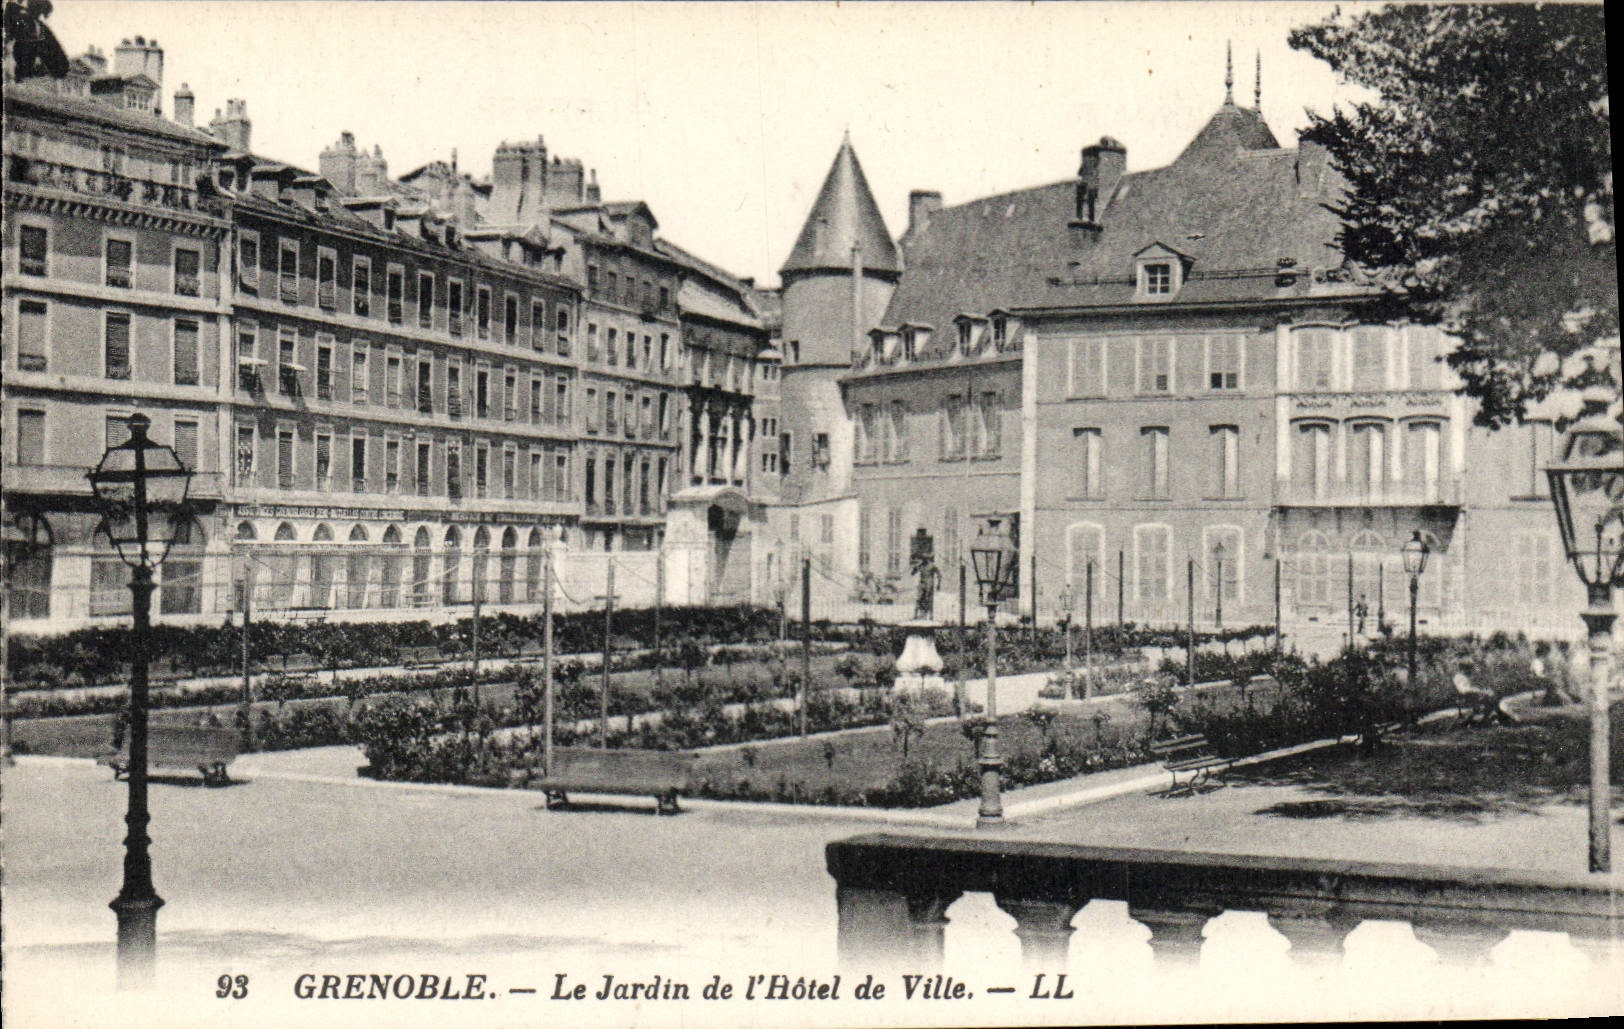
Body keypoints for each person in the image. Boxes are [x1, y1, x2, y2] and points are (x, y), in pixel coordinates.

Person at [1453, 660, 1518, 725]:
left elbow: (1471, 688)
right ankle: (1499, 717)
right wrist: (1482, 691)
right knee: (1492, 699)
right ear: (1463, 669)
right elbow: (1465, 690)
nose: (1470, 671)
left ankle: (1498, 716)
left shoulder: (1464, 676)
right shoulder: (1460, 677)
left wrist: (1483, 690)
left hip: (1472, 696)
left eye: (1469, 668)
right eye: (1468, 668)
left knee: (1493, 699)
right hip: (1467, 698)